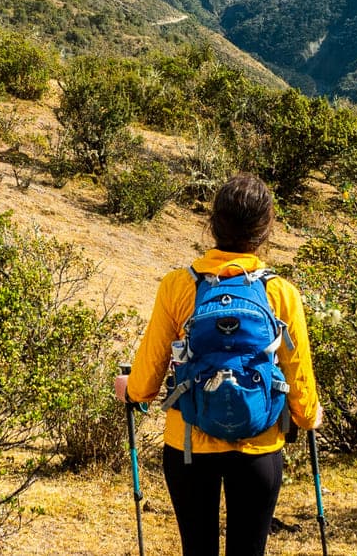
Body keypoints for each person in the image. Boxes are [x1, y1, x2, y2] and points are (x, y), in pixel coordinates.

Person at [114, 173, 322, 556]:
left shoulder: (178, 286)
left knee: (198, 550)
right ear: (266, 229)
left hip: (189, 445)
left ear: (212, 224)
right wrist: (311, 416)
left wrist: (130, 389)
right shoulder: (280, 293)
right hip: (258, 446)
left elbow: (144, 385)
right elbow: (300, 382)